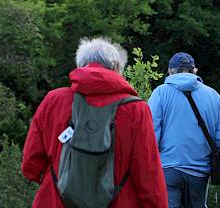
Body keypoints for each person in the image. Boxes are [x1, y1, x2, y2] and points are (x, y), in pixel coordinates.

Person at [22, 37, 167, 207]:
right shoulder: (136, 109)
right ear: (116, 68)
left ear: (80, 66)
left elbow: (31, 164)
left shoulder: (55, 101)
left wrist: (63, 182)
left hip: (55, 201)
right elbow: (148, 174)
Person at [148, 52, 220, 208]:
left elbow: (150, 136)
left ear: (170, 71)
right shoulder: (213, 95)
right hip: (200, 171)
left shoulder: (160, 93)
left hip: (168, 169)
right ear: (195, 70)